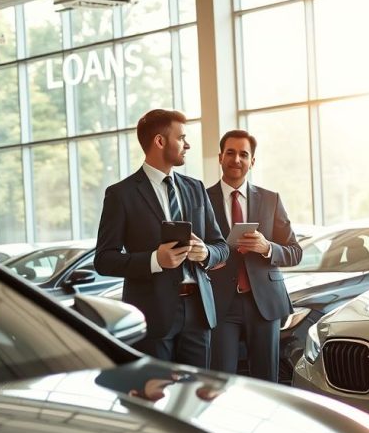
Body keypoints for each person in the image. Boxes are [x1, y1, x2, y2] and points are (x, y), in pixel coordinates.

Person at [95, 109, 228, 367]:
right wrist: (155, 260)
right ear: (159, 141)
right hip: (152, 315)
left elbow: (221, 246)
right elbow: (104, 260)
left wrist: (206, 253)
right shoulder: (121, 194)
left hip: (199, 312)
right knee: (157, 389)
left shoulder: (196, 188)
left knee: (197, 390)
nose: (187, 145)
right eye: (181, 138)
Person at [206, 130, 302, 382]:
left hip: (264, 303)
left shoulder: (271, 200)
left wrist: (267, 247)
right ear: (220, 157)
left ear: (252, 161)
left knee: (266, 379)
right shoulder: (202, 199)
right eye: (230, 153)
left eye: (243, 154)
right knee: (220, 381)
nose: (236, 159)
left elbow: (295, 252)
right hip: (220, 304)